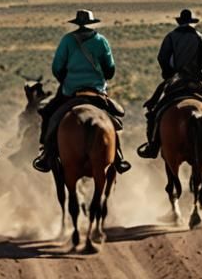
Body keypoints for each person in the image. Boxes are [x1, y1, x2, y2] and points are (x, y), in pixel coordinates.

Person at [32, 9, 131, 174]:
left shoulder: (67, 40)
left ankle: (46, 153)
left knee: (49, 114)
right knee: (113, 118)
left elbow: (57, 67)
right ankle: (118, 156)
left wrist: (66, 79)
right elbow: (110, 69)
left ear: (77, 23)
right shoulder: (101, 41)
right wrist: (102, 77)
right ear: (92, 23)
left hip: (71, 90)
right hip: (97, 90)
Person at [136, 9, 202, 163]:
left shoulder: (170, 37)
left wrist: (169, 74)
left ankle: (153, 144)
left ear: (179, 21)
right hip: (196, 80)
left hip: (176, 80)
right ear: (193, 22)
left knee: (155, 111)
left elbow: (162, 58)